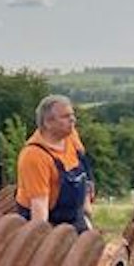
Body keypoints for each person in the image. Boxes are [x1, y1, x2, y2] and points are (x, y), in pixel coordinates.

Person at [15, 94, 93, 231]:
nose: (72, 120)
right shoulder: (34, 156)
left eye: (72, 115)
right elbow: (39, 208)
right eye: (65, 116)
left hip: (74, 216)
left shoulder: (71, 137)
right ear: (48, 123)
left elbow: (84, 172)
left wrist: (86, 209)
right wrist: (42, 238)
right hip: (49, 219)